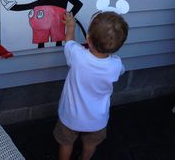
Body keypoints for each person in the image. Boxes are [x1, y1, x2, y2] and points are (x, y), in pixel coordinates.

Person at [53, 10, 129, 160]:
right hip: (97, 119)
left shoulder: (77, 56)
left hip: (70, 116)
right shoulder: (115, 65)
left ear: (88, 37)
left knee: (66, 143)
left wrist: (71, 26)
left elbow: (69, 42)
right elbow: (121, 72)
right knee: (90, 144)